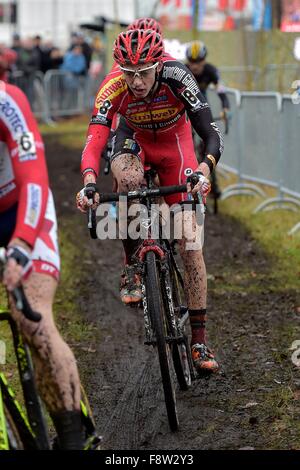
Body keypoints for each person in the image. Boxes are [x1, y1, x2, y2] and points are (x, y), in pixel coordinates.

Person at [76, 29, 224, 374]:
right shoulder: (113, 85)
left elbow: (210, 131)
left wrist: (204, 169)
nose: (136, 80)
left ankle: (199, 340)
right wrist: (88, 181)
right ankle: (131, 266)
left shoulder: (177, 75)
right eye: (129, 72)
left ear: (158, 64)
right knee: (128, 181)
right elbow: (96, 137)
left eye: (143, 71)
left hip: (175, 144)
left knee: (190, 243)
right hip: (134, 141)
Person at [0, 75, 85, 449]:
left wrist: (20, 246)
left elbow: (34, 178)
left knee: (31, 318)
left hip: (22, 210)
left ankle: (72, 437)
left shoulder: (7, 101)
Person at [185, 40, 230, 198]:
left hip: (203, 108)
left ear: (204, 60)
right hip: (185, 110)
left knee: (208, 145)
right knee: (187, 143)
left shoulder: (211, 71)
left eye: (198, 62)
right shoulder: (183, 70)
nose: (195, 66)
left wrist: (226, 108)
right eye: (191, 62)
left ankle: (213, 182)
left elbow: (221, 90)